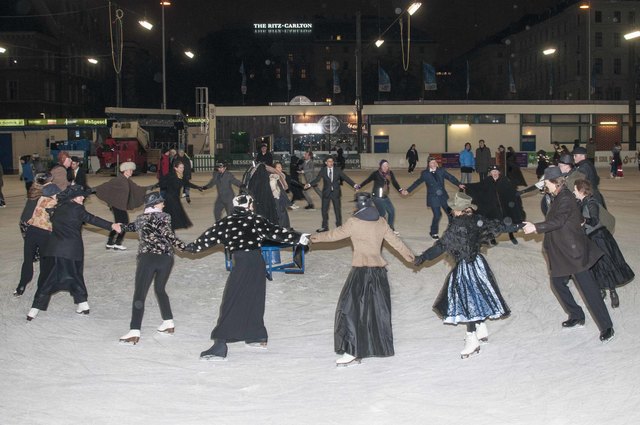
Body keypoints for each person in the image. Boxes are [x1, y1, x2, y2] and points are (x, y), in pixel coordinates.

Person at [185, 194, 308, 360]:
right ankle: (256, 335)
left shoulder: (225, 222)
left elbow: (205, 241)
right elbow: (276, 233)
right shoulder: (256, 220)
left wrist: (186, 247)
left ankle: (220, 343)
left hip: (241, 262)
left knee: (231, 300)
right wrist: (298, 238)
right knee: (255, 297)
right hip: (257, 263)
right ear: (248, 205)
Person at [310, 192, 414, 366]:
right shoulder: (381, 221)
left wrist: (312, 237)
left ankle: (352, 351)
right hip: (379, 275)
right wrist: (411, 257)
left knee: (349, 310)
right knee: (376, 312)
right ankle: (377, 346)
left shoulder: (354, 222)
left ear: (358, 205)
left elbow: (333, 235)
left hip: (361, 273)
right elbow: (396, 242)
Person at [414, 192, 515, 359]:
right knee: (478, 296)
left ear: (458, 210)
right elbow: (498, 226)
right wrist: (517, 226)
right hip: (478, 264)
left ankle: (472, 338)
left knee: (468, 302)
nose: (452, 211)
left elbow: (441, 246)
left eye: (453, 209)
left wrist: (423, 257)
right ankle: (481, 327)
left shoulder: (457, 225)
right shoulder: (477, 219)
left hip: (466, 268)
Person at [522, 167, 614, 343]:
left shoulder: (565, 197)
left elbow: (559, 220)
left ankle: (606, 326)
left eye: (546, 183)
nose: (544, 186)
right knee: (557, 284)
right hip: (562, 252)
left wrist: (536, 227)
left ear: (554, 182)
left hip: (574, 254)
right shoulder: (557, 196)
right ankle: (576, 314)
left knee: (590, 291)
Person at [27, 185, 122, 321]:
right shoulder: (77, 209)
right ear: (72, 197)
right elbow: (92, 219)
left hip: (54, 250)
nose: (83, 198)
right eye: (80, 196)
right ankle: (82, 304)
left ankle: (36, 310)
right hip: (71, 250)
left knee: (49, 279)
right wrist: (111, 225)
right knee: (75, 276)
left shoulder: (57, 208)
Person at [119, 192, 188, 345]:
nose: (163, 204)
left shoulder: (141, 218)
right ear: (155, 204)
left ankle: (134, 330)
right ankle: (168, 321)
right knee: (160, 289)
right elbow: (169, 235)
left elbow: (133, 226)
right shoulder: (166, 217)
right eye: (161, 202)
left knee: (140, 294)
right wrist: (185, 247)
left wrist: (120, 226)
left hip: (148, 259)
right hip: (166, 259)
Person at [573, 179, 634, 308]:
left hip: (599, 238)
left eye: (575, 189)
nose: (574, 191)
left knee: (606, 265)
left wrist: (583, 220)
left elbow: (594, 220)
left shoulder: (591, 202)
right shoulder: (580, 202)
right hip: (589, 238)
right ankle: (601, 290)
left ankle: (612, 293)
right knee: (594, 266)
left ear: (581, 190)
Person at [403, 156, 465, 240]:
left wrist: (459, 183)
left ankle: (452, 231)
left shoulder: (441, 171)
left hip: (443, 196)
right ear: (428, 164)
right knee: (437, 215)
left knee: (451, 214)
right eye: (432, 162)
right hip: (433, 198)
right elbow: (417, 182)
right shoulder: (425, 173)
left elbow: (451, 177)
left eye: (435, 162)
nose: (434, 164)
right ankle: (433, 232)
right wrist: (408, 190)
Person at [14, 182, 59, 297]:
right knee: (45, 263)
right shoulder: (56, 203)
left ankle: (21, 286)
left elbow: (27, 216)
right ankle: (41, 288)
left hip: (31, 232)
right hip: (45, 235)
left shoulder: (39, 198)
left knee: (27, 260)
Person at [94, 161, 149, 250]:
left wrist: (150, 187)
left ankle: (110, 242)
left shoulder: (127, 180)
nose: (131, 171)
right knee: (124, 224)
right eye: (130, 170)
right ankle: (117, 243)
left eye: (132, 170)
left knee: (119, 224)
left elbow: (137, 189)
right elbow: (105, 186)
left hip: (121, 206)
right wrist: (92, 190)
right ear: (125, 171)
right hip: (117, 206)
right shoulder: (118, 179)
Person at [466, 164, 525, 245]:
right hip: (493, 207)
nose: (495, 173)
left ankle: (511, 236)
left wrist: (515, 192)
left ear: (499, 172)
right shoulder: (487, 181)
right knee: (493, 223)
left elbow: (511, 190)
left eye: (496, 171)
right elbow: (478, 187)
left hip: (505, 206)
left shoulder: (504, 180)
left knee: (508, 222)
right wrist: (466, 186)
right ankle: (492, 238)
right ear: (490, 173)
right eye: (493, 171)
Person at [305, 156, 359, 233]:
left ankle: (339, 226)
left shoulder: (337, 170)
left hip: (336, 193)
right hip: (326, 193)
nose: (331, 163)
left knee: (337, 211)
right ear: (326, 163)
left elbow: (346, 178)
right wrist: (309, 184)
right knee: (324, 211)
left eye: (332, 161)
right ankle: (324, 227)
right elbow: (317, 179)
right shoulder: (323, 170)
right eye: (329, 161)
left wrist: (354, 185)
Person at [358, 159, 404, 233]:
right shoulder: (376, 174)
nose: (385, 167)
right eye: (383, 166)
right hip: (376, 197)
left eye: (387, 165)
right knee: (382, 213)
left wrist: (400, 190)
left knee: (391, 211)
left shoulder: (390, 173)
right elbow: (367, 180)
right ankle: (377, 229)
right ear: (380, 166)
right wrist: (359, 186)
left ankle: (390, 229)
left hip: (385, 196)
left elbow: (394, 182)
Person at [163, 159, 203, 230]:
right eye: (181, 168)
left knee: (176, 215)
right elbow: (163, 183)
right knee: (173, 215)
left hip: (175, 198)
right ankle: (170, 232)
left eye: (183, 167)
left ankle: (170, 231)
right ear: (175, 168)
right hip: (170, 198)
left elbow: (187, 183)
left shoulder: (181, 175)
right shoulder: (172, 176)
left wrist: (197, 187)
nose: (182, 169)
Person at [269, 162, 292, 228]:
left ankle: (285, 227)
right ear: (274, 168)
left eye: (281, 167)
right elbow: (273, 188)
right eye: (278, 167)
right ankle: (281, 227)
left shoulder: (281, 175)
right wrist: (277, 196)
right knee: (280, 213)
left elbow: (289, 182)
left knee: (283, 213)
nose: (281, 168)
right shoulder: (273, 177)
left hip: (281, 197)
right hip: (277, 197)